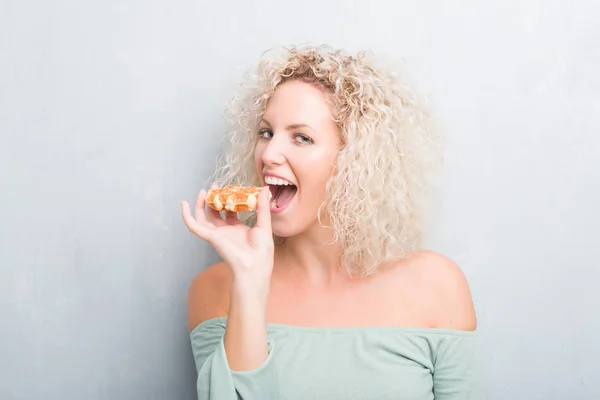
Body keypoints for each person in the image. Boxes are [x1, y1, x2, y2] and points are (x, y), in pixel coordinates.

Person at [181, 45, 482, 399]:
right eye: (266, 133)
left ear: (354, 159)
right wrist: (249, 282)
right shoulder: (217, 289)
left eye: (301, 137)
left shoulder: (437, 285)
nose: (269, 154)